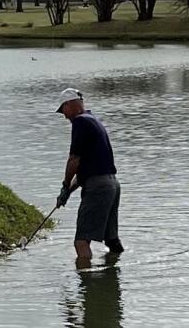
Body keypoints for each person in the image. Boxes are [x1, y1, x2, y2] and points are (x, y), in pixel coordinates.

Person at [55, 88, 124, 260]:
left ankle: (88, 284)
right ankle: (113, 277)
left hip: (98, 187)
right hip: (112, 185)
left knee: (81, 241)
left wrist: (64, 185)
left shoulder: (80, 122)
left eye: (63, 109)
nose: (64, 115)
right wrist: (68, 192)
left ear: (69, 104)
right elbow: (87, 168)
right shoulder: (93, 120)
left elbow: (74, 160)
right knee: (111, 239)